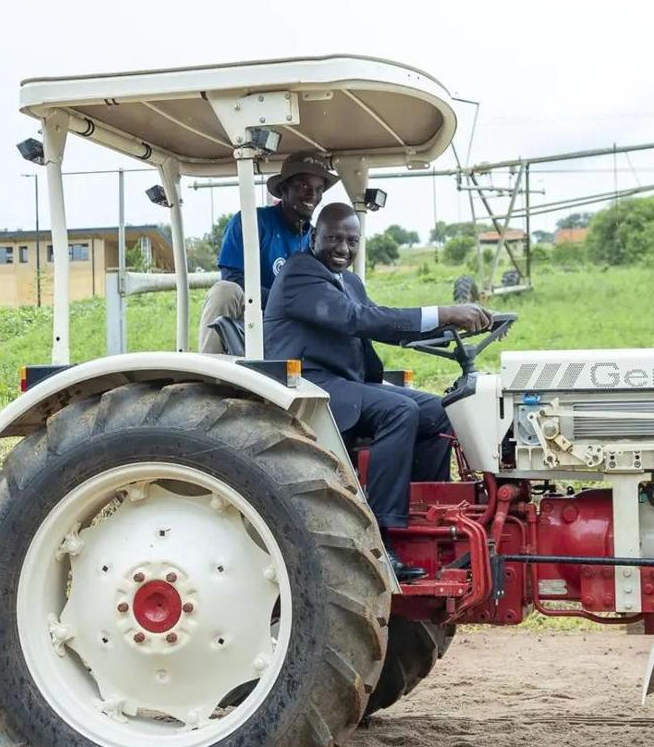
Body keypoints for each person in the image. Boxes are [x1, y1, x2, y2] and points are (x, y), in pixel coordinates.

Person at [264, 202, 491, 580]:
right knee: (398, 411)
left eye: (351, 241)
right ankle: (382, 537)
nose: (343, 248)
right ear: (314, 236)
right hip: (311, 383)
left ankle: (429, 515)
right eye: (333, 238)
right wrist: (444, 312)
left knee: (441, 411)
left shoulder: (349, 282)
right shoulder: (299, 273)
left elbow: (378, 324)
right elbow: (358, 319)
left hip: (347, 383)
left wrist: (450, 328)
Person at [197, 152, 334, 353]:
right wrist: (282, 302)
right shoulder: (251, 222)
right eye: (303, 185)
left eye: (318, 189)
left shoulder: (316, 239)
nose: (312, 194)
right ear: (284, 188)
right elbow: (233, 278)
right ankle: (211, 366)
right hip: (254, 315)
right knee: (224, 290)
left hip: (295, 324)